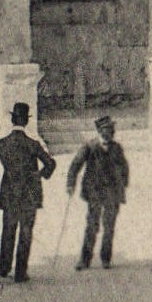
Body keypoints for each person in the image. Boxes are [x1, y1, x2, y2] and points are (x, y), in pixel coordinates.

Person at [0, 102, 56, 282]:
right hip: (30, 192)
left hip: (10, 191)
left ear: (12, 120)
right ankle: (21, 272)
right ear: (26, 121)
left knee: (8, 229)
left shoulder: (1, 144)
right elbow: (51, 164)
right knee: (26, 231)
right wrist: (40, 175)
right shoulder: (33, 144)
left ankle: (4, 268)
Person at [66, 112, 129, 270]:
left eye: (112, 130)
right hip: (94, 193)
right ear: (100, 131)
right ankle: (85, 259)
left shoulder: (117, 148)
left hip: (112, 194)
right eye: (107, 130)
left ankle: (106, 258)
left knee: (109, 226)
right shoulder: (89, 146)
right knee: (92, 226)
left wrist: (122, 185)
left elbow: (124, 168)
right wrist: (70, 184)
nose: (110, 133)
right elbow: (75, 165)